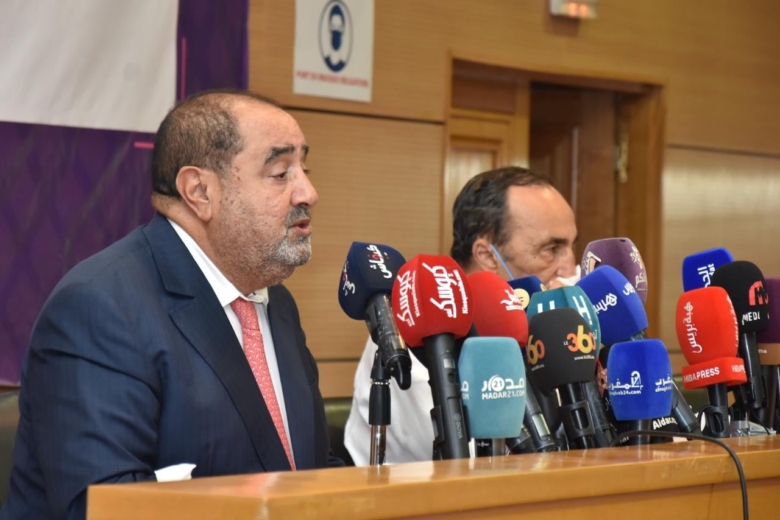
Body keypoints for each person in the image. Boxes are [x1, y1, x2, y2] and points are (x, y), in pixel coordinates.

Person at [1, 90, 343, 520]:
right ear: (199, 191)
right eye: (280, 173)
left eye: (304, 170)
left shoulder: (276, 303)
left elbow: (310, 468)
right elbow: (102, 508)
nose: (308, 192)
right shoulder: (98, 307)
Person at [344, 167, 578, 465]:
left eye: (572, 246)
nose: (570, 268)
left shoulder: (529, 323)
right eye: (552, 249)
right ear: (487, 255)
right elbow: (477, 460)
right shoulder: (420, 323)